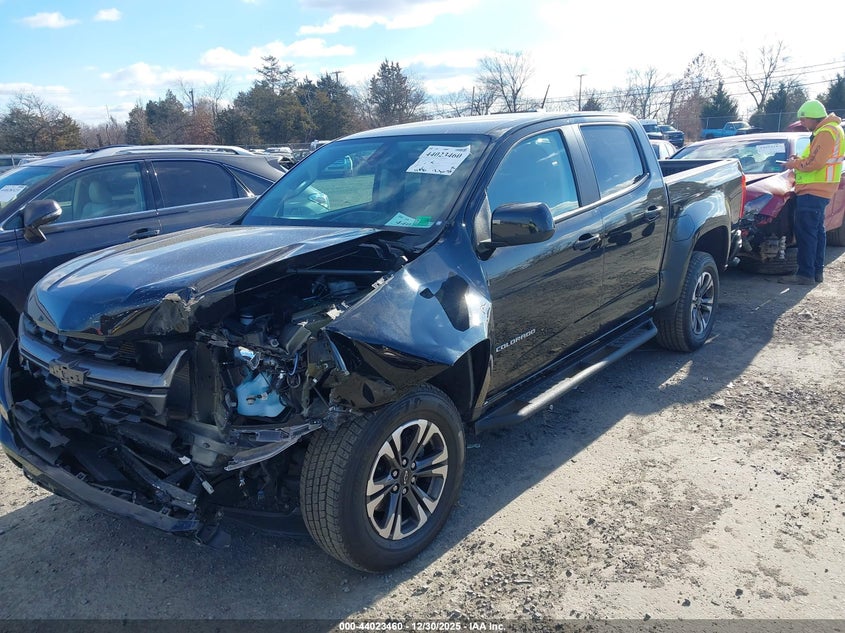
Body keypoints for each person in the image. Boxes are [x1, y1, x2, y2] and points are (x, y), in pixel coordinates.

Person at [780, 99, 844, 285]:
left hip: (814, 188)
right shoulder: (831, 130)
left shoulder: (825, 132)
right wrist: (800, 159)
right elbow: (816, 158)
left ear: (812, 117)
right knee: (816, 232)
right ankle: (815, 272)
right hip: (821, 188)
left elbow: (815, 163)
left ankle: (805, 274)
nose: (803, 124)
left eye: (804, 120)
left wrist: (794, 164)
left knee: (806, 233)